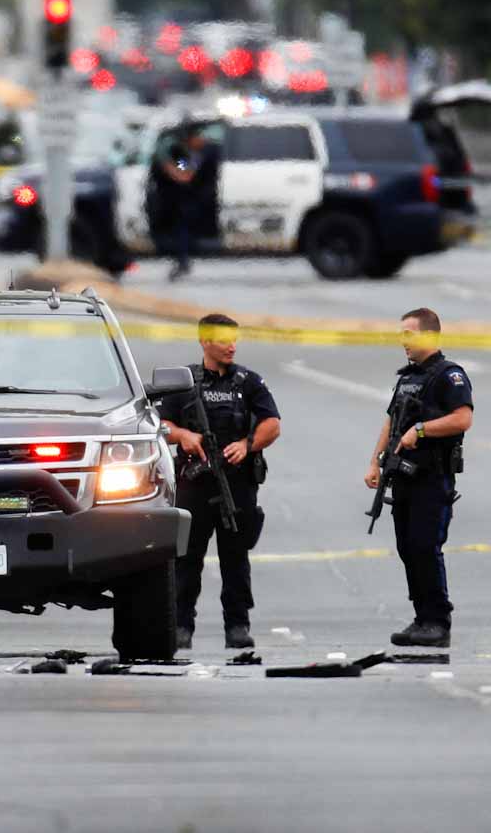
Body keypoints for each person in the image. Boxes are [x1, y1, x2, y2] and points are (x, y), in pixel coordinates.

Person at [158, 313, 281, 649]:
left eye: (234, 340)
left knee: (235, 558)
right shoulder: (183, 382)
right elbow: (158, 423)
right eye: (224, 340)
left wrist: (247, 444)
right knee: (185, 560)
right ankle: (180, 626)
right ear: (204, 341)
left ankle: (237, 626)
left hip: (237, 484)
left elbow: (272, 423)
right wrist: (184, 435)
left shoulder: (247, 382)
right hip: (194, 484)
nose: (232, 346)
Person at [363, 307, 473, 648]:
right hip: (403, 476)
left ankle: (437, 621)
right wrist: (375, 462)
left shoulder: (449, 375)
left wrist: (421, 430)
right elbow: (390, 421)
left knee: (426, 547)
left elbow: (462, 419)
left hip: (432, 478)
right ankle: (421, 617)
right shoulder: (408, 378)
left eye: (409, 334)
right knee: (407, 548)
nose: (403, 341)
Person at [157, 124, 221, 280]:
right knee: (179, 228)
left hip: (201, 199)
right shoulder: (189, 154)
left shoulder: (204, 153)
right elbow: (183, 168)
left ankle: (183, 261)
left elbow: (186, 176)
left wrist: (168, 167)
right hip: (189, 199)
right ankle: (182, 260)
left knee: (182, 229)